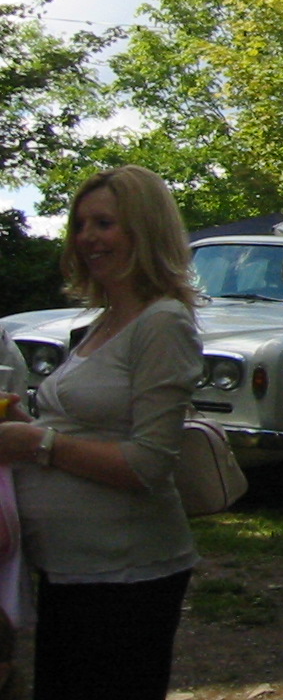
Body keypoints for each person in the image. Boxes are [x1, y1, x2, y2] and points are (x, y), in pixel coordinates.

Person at [0, 165, 202, 700]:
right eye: (80, 225)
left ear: (144, 230)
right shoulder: (101, 322)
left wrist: (37, 444)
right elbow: (86, 428)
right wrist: (25, 428)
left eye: (105, 224)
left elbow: (148, 464)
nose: (87, 237)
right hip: (69, 570)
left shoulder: (162, 323)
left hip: (126, 574)